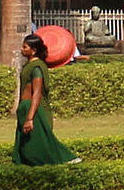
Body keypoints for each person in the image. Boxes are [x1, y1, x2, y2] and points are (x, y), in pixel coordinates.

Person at [12, 32, 78, 167]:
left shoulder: (36, 68)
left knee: (41, 145)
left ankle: (67, 158)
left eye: (25, 47)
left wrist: (30, 118)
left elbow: (37, 93)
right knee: (26, 147)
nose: (22, 49)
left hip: (34, 109)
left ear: (33, 50)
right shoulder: (29, 66)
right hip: (26, 107)